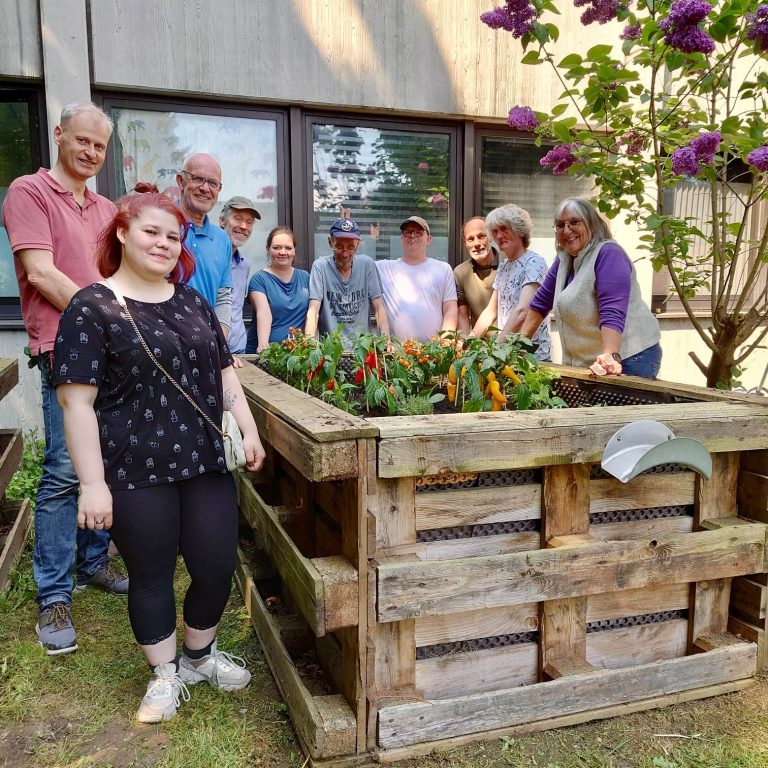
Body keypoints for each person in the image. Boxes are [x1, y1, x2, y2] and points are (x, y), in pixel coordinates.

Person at [54, 185, 266, 723]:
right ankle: (164, 673)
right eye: (152, 232)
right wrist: (93, 484)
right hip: (132, 466)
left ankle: (198, 656)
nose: (164, 243)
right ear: (122, 233)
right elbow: (77, 404)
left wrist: (248, 429)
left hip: (203, 459)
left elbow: (223, 373)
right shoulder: (91, 306)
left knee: (216, 566)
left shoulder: (191, 300)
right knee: (150, 574)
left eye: (174, 236)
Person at [1, 101, 128, 656]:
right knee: (60, 471)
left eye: (99, 147)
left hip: (110, 348)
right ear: (58, 134)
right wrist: (105, 320)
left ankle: (92, 563)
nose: (89, 153)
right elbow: (40, 271)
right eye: (81, 141)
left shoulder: (105, 207)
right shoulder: (27, 192)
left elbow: (118, 274)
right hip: (61, 346)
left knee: (105, 459)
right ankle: (54, 595)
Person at [521, 196, 662, 377]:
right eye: (560, 225)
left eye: (574, 222)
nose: (567, 230)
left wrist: (611, 356)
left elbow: (612, 312)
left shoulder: (608, 253)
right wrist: (518, 347)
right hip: (590, 362)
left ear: (591, 224)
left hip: (631, 356)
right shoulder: (564, 259)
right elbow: (540, 304)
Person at [471, 205, 551, 361]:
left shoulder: (534, 262)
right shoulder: (504, 265)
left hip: (530, 357)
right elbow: (490, 311)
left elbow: (523, 311)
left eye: (504, 229)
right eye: (494, 231)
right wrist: (469, 340)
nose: (498, 236)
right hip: (507, 354)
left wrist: (495, 350)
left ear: (520, 230)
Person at [304, 217, 389, 347]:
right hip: (330, 350)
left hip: (362, 348)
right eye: (339, 246)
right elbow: (313, 310)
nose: (344, 253)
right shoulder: (320, 266)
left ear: (358, 245)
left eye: (350, 247)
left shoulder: (367, 265)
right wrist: (309, 342)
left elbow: (379, 308)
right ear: (330, 242)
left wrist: (385, 340)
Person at [175, 154, 233, 338]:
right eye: (197, 178)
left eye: (213, 183)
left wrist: (218, 344)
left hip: (205, 346)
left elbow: (223, 298)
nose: (205, 188)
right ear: (181, 181)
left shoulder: (222, 239)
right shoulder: (160, 225)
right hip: (162, 344)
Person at [376, 216, 457, 343]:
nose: (413, 236)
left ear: (428, 240)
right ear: (402, 239)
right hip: (394, 355)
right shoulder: (382, 268)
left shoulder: (443, 269)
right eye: (408, 232)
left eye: (418, 233)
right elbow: (352, 264)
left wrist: (445, 343)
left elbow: (450, 310)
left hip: (433, 355)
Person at [245, 228, 310, 353]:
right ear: (268, 249)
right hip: (267, 355)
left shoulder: (305, 277)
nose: (283, 252)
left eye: (288, 248)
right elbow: (264, 313)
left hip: (299, 355)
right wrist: (263, 346)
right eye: (277, 248)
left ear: (294, 251)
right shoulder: (259, 279)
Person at [219, 196, 260, 355]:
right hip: (211, 353)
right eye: (237, 219)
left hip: (238, 351)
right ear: (222, 221)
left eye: (249, 222)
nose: (243, 226)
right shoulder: (205, 259)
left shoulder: (244, 265)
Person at [454, 216, 499, 331]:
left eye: (481, 236)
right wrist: (464, 343)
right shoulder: (461, 273)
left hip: (510, 343)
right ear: (465, 242)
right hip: (479, 344)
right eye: (470, 239)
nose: (476, 243)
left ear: (491, 236)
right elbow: (463, 316)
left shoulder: (507, 264)